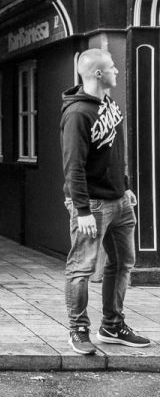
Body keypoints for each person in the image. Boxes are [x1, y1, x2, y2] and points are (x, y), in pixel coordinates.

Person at [61, 48, 149, 355]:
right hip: (93, 207)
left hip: (119, 201)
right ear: (98, 73)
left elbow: (113, 152)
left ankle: (112, 325)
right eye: (112, 67)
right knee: (81, 268)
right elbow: (73, 165)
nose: (117, 71)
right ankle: (78, 329)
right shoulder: (77, 114)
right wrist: (81, 209)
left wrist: (124, 187)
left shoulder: (109, 103)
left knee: (123, 263)